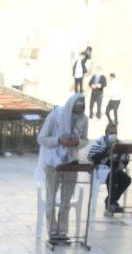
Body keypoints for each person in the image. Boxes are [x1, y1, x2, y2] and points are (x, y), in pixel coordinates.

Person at [36, 93, 87, 243]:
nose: (77, 114)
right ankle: (52, 230)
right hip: (54, 163)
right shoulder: (56, 116)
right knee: (51, 199)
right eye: (75, 111)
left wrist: (77, 142)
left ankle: (63, 230)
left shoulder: (84, 119)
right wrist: (59, 140)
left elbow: (85, 140)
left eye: (80, 110)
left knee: (66, 200)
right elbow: (41, 138)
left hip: (71, 163)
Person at [88, 122, 132, 216]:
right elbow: (93, 157)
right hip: (101, 168)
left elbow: (126, 158)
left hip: (115, 169)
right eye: (111, 133)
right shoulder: (101, 142)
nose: (114, 135)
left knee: (127, 180)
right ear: (106, 133)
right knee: (111, 175)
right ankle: (111, 203)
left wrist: (123, 164)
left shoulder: (119, 144)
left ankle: (110, 200)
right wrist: (107, 152)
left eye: (115, 133)